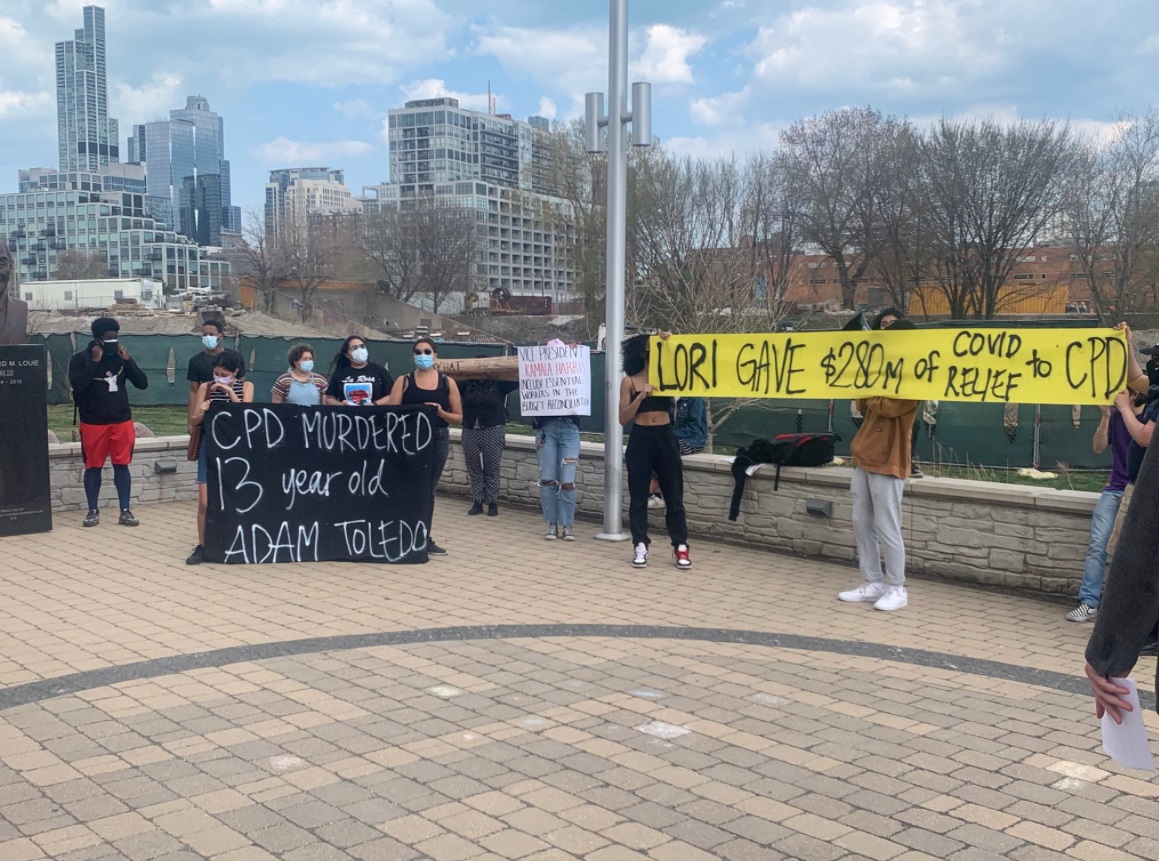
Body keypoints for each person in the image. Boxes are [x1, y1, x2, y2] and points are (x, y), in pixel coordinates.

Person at [838, 315, 919, 612]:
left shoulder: (913, 373)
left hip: (890, 458)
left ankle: (896, 587)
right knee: (861, 522)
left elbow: (890, 405)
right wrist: (869, 385)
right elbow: (862, 401)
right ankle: (872, 582)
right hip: (864, 456)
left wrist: (870, 388)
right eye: (880, 324)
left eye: (889, 325)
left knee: (888, 526)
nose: (882, 329)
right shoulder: (876, 368)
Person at [1065, 398, 1141, 622]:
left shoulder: (1149, 416)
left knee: (1130, 552)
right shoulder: (1116, 414)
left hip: (1138, 490)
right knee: (1098, 546)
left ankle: (1121, 608)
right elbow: (1098, 447)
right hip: (1114, 489)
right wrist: (1106, 417)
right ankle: (1089, 603)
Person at [68, 317, 149, 527]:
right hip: (93, 423)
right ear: (97, 339)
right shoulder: (81, 359)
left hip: (121, 421)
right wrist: (94, 362)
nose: (113, 341)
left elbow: (142, 383)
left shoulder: (120, 359)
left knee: (121, 465)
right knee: (93, 467)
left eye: (115, 337)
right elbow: (78, 386)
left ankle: (125, 511)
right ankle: (92, 511)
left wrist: (129, 360)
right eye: (108, 338)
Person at [619, 333, 691, 569]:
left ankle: (680, 545)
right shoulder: (629, 381)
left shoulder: (667, 376)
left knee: (673, 494)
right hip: (641, 438)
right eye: (649, 348)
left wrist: (670, 341)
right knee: (638, 496)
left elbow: (686, 358)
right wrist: (640, 397)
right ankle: (640, 543)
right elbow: (623, 418)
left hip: (664, 436)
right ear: (640, 352)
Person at [387, 337, 462, 556]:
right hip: (409, 439)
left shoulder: (447, 383)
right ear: (413, 356)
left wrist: (440, 412)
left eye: (427, 351)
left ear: (435, 355)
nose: (423, 356)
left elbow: (457, 417)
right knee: (407, 487)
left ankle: (423, 536)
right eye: (418, 352)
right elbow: (391, 413)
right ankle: (401, 534)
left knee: (428, 490)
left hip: (437, 437)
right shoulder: (403, 381)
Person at [186, 352, 254, 565]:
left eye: (223, 375)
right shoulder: (206, 388)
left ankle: (232, 541)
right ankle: (203, 545)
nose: (218, 378)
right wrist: (204, 411)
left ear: (234, 373)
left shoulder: (246, 387)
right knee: (205, 502)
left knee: (234, 498)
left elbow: (244, 413)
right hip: (210, 446)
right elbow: (194, 419)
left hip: (234, 450)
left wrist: (228, 391)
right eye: (216, 374)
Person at [459, 362, 519, 517]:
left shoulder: (498, 384)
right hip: (470, 428)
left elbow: (517, 380)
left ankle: (493, 502)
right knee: (473, 467)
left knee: (491, 467)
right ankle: (477, 501)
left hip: (493, 429)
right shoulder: (465, 385)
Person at [647, 396, 707, 508]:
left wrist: (667, 435)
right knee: (654, 447)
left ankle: (652, 491)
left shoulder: (695, 399)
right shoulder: (668, 398)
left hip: (693, 440)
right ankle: (656, 494)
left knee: (668, 449)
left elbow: (693, 429)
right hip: (671, 438)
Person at [187, 320, 245, 430]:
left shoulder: (235, 357)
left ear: (220, 336)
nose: (207, 337)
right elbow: (193, 391)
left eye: (211, 334)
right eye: (204, 335)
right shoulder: (196, 361)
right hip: (207, 409)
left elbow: (241, 385)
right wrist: (190, 421)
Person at [325, 336, 394, 406]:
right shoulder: (340, 373)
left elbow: (392, 396)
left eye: (362, 346)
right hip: (346, 415)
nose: (359, 350)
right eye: (354, 348)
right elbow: (329, 399)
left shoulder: (379, 370)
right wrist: (342, 405)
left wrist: (374, 404)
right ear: (346, 354)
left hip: (375, 414)